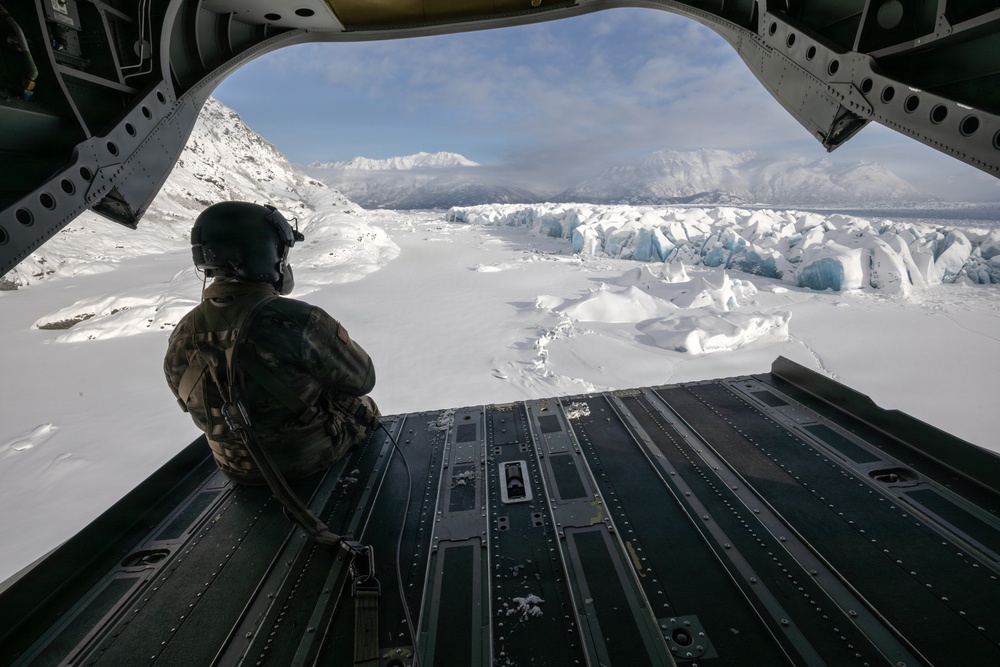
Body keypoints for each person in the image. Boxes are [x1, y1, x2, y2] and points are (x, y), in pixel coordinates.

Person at [164, 201, 379, 485]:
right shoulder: (299, 319)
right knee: (363, 405)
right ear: (261, 253)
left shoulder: (181, 333)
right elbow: (363, 380)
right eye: (281, 251)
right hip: (305, 461)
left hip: (236, 469)